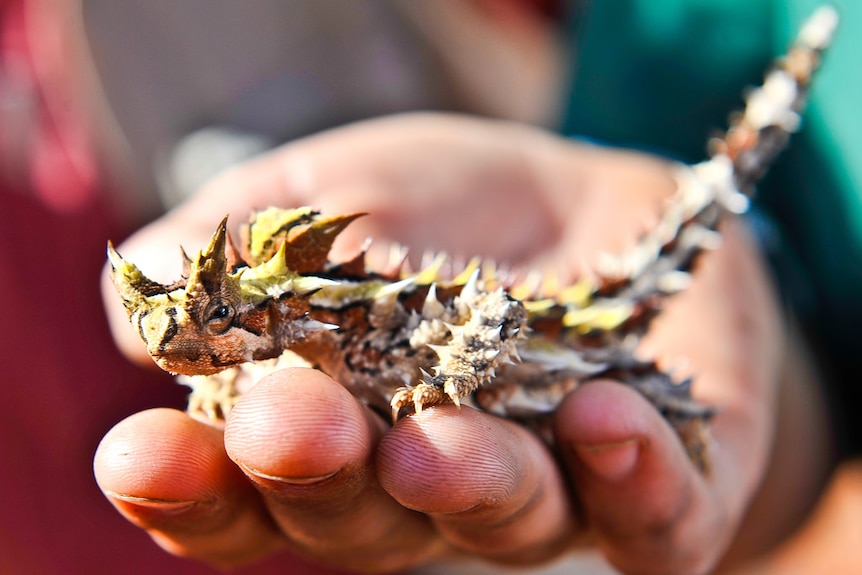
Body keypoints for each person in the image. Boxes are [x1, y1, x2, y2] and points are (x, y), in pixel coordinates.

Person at [1, 1, 857, 573]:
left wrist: (444, 384)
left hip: (572, 342)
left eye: (215, 325)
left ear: (257, 312)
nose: (191, 350)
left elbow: (495, 314)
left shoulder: (348, 326)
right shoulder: (269, 351)